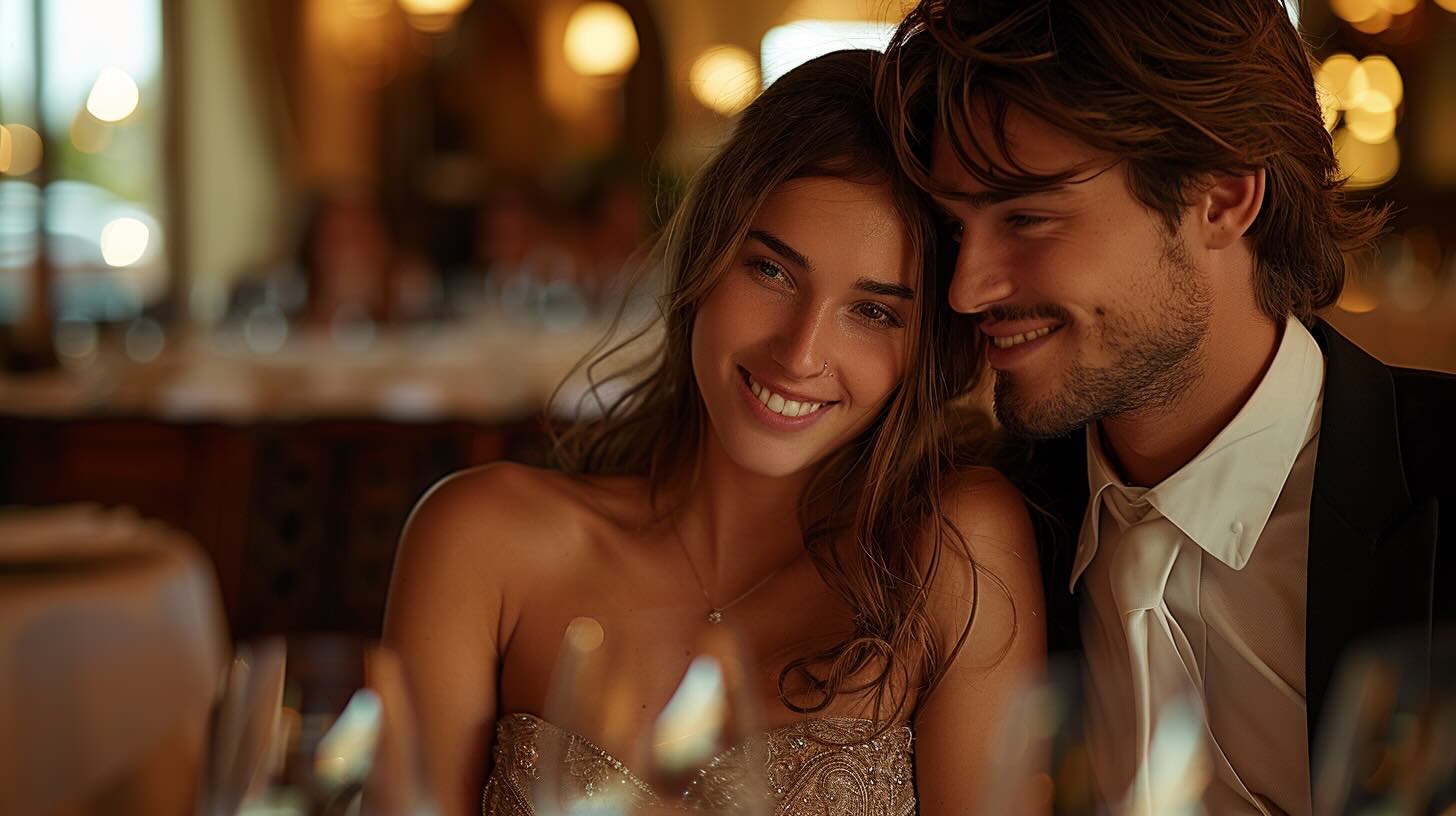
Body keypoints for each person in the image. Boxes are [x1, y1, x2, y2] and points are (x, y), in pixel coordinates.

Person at [384, 50, 1045, 816]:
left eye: (873, 312)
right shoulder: (481, 541)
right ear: (706, 254)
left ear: (928, 344)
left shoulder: (953, 549)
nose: (799, 354)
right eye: (771, 272)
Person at [878, 1, 1456, 813]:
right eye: (953, 227)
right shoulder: (985, 535)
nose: (966, 287)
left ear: (1222, 197)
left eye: (1028, 218)